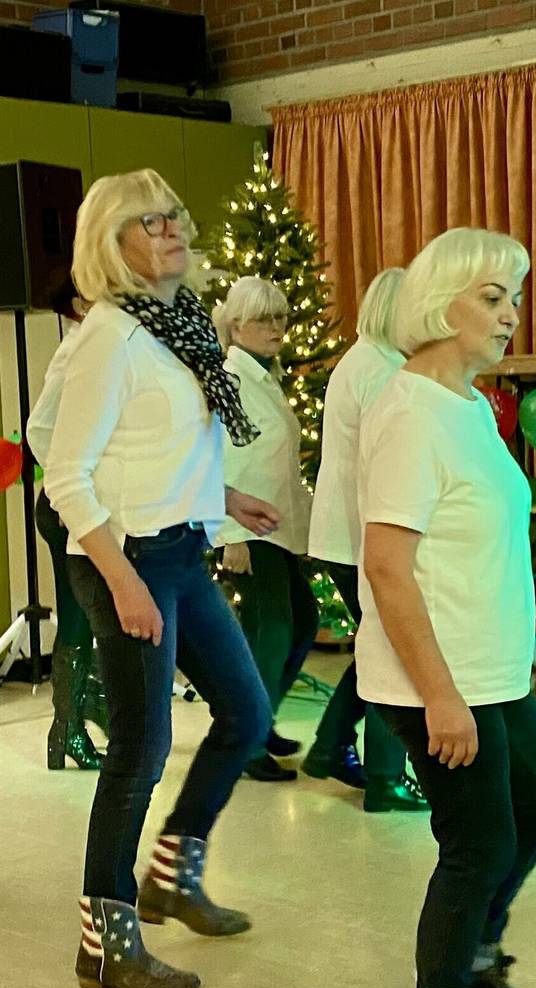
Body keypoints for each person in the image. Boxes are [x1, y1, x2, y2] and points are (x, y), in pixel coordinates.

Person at [44, 169, 277, 988]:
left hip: (181, 548)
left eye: (174, 215)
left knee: (247, 713)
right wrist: (121, 580)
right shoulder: (110, 335)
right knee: (140, 750)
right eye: (149, 221)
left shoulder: (178, 326)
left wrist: (224, 498)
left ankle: (171, 875)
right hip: (127, 561)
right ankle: (104, 943)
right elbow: (65, 471)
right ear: (113, 244)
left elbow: (156, 452)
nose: (172, 230)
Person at [358, 228, 536, 988]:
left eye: (513, 296)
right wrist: (440, 696)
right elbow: (386, 563)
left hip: (489, 669)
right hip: (437, 678)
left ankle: (477, 952)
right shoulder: (408, 411)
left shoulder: (469, 406)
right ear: (438, 303)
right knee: (478, 840)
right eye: (491, 296)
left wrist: (517, 635)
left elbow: (480, 540)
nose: (510, 313)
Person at [303, 267, 427, 814]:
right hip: (361, 533)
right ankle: (385, 777)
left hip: (343, 532)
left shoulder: (362, 360)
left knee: (376, 648)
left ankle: (330, 745)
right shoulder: (382, 371)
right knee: (391, 652)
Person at [213, 276, 318, 783]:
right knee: (271, 631)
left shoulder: (264, 374)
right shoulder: (232, 378)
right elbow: (223, 456)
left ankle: (259, 720)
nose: (277, 327)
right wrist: (231, 535)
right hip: (249, 530)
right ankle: (244, 738)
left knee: (299, 622)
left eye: (281, 317)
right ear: (236, 325)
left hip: (277, 525)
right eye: (264, 319)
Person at [27, 277, 106, 772]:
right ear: (79, 304)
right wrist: (64, 487)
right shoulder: (75, 350)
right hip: (65, 509)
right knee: (77, 618)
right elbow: (40, 427)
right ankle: (68, 730)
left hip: (84, 506)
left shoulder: (97, 346)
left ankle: (73, 724)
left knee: (86, 619)